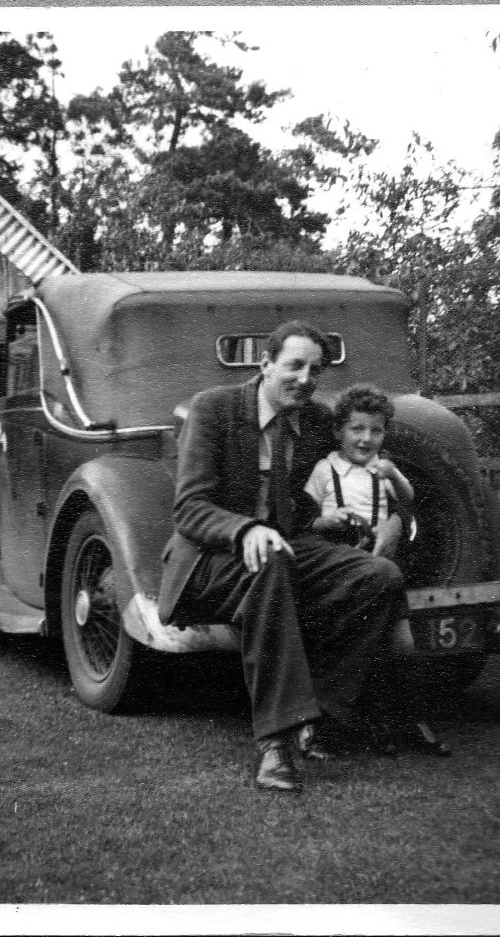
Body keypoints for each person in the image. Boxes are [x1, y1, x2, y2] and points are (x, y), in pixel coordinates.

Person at [157, 321, 406, 793]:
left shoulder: (314, 421)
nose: (304, 378)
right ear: (265, 364)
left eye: (314, 369)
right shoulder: (215, 409)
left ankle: (324, 716)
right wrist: (244, 528)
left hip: (287, 547)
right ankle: (275, 743)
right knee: (271, 561)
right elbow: (189, 508)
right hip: (211, 559)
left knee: (379, 575)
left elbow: (358, 474)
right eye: (294, 365)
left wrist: (388, 518)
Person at [304, 384, 415, 561]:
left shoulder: (382, 467)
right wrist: (328, 521)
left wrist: (393, 475)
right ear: (338, 432)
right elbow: (308, 520)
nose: (367, 438)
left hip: (375, 552)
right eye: (357, 429)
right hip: (334, 552)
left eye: (376, 431)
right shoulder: (325, 468)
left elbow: (407, 498)